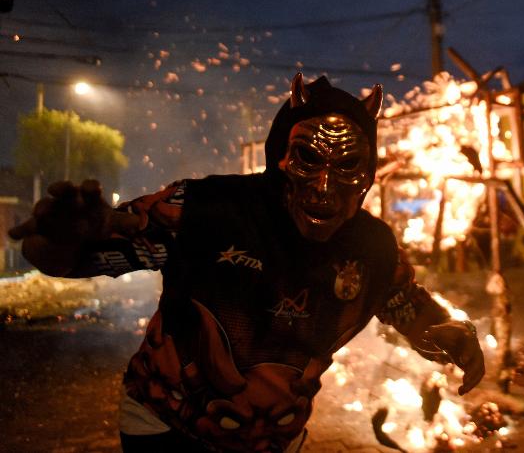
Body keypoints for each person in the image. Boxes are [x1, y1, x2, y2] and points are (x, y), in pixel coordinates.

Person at [8, 73, 485, 453]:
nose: (323, 187)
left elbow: (407, 305)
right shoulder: (202, 209)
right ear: (279, 157)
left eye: (345, 167)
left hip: (275, 439)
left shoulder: (374, 246)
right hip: (166, 425)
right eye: (307, 159)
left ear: (368, 174)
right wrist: (59, 239)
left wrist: (448, 336)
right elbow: (67, 260)